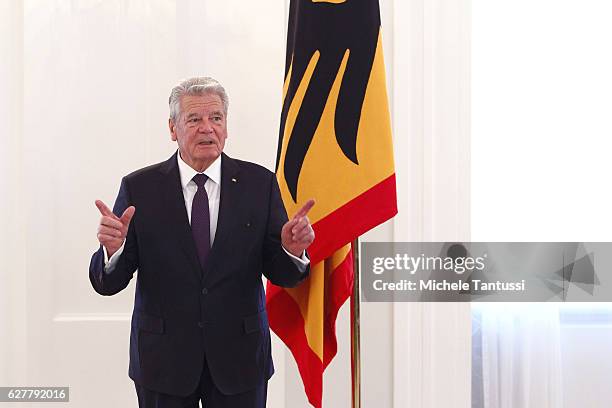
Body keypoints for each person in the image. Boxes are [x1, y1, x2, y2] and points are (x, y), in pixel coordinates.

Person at [89, 77, 315, 408]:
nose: (207, 128)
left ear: (226, 126)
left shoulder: (259, 183)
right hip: (162, 362)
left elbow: (282, 273)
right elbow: (108, 283)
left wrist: (292, 252)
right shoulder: (140, 188)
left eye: (216, 118)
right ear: (173, 128)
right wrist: (113, 250)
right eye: (194, 119)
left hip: (240, 360)